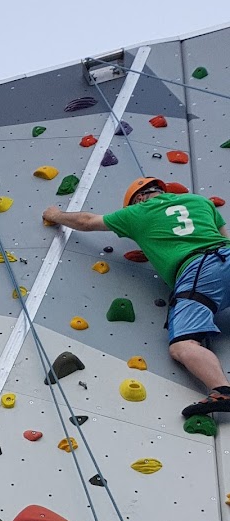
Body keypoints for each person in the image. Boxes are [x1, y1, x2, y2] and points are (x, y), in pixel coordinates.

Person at [43, 177, 230, 416]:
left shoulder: (138, 212)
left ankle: (221, 389)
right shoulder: (200, 201)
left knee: (183, 344)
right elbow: (224, 239)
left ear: (139, 198)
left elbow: (86, 221)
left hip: (198, 271)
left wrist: (55, 214)